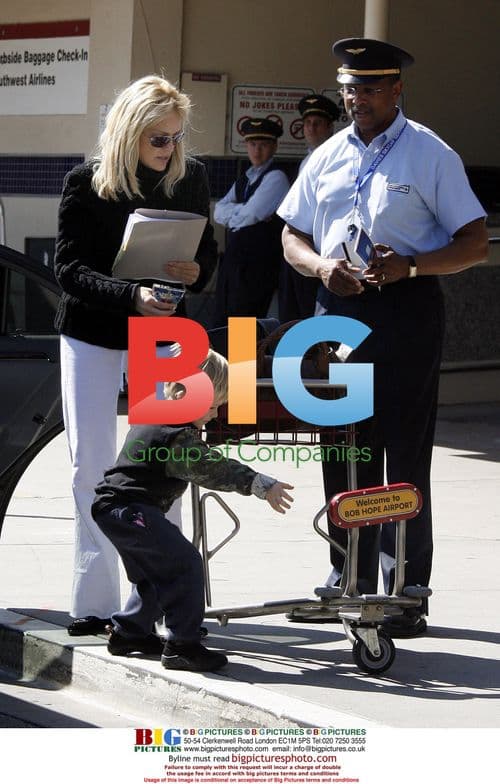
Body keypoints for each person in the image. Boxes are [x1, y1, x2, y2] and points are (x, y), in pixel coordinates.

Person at [277, 38, 488, 637]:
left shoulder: (429, 154)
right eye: (349, 88)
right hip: (336, 315)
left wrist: (414, 266)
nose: (356, 99)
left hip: (405, 311)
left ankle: (403, 590)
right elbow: (290, 236)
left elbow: (473, 243)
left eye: (370, 88)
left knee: (401, 452)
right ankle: (348, 576)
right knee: (344, 449)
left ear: (397, 90)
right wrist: (320, 267)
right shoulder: (324, 156)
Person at [54, 75, 217, 636]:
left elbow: (209, 254)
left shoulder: (189, 179)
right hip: (93, 333)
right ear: (128, 133)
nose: (170, 150)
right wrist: (132, 295)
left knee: (165, 466)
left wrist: (197, 274)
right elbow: (68, 270)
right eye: (158, 139)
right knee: (93, 466)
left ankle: (161, 606)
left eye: (175, 137)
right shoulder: (85, 183)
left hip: (165, 335)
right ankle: (94, 603)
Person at [91, 349, 294, 672]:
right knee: (184, 564)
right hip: (129, 509)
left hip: (116, 508)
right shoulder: (175, 435)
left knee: (154, 573)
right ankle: (182, 645)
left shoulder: (160, 415)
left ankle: (129, 632)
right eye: (214, 406)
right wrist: (259, 483)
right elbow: (212, 469)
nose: (215, 414)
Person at [211, 118, 290, 328]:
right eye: (252, 144)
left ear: (274, 146)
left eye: (263, 145)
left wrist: (239, 211)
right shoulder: (245, 177)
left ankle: (243, 362)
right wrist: (242, 210)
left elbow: (251, 215)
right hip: (235, 263)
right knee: (225, 318)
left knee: (245, 322)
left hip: (257, 266)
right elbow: (218, 211)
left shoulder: (276, 178)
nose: (257, 150)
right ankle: (227, 361)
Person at [279, 94, 341, 323]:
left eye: (318, 123)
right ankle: (248, 360)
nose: (311, 129)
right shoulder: (307, 160)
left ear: (330, 127)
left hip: (315, 251)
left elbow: (252, 213)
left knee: (309, 317)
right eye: (307, 123)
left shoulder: (334, 158)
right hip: (294, 250)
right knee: (291, 316)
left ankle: (310, 359)